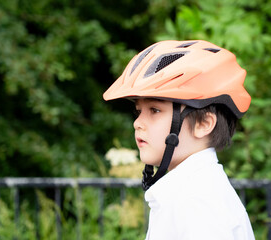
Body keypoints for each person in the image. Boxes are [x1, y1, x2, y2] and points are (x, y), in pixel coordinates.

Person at [103, 40, 255, 240]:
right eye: (139, 111)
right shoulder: (188, 193)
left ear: (203, 124)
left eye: (155, 110)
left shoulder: (198, 204)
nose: (138, 123)